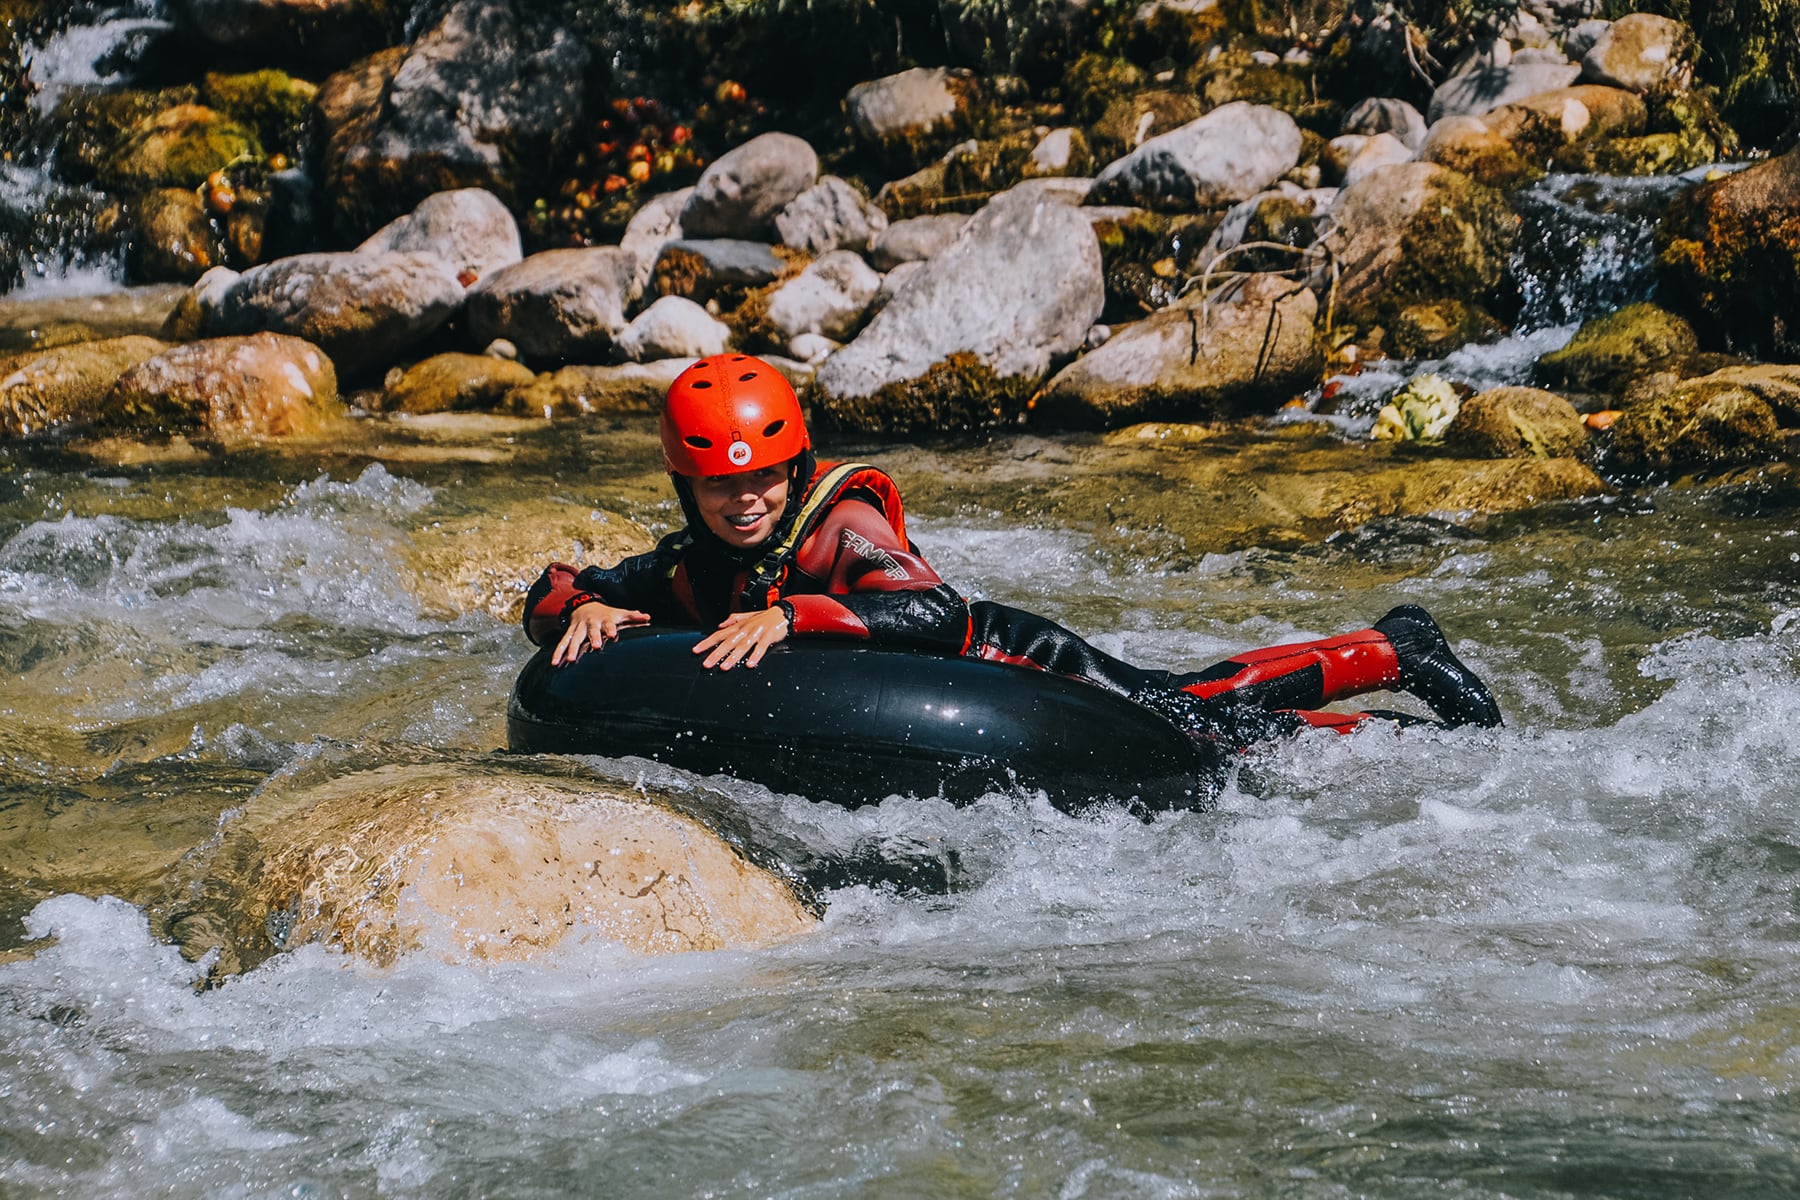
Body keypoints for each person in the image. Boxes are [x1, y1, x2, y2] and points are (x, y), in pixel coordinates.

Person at [523, 354, 1501, 751]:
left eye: (766, 477)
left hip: (1011, 663)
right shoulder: (688, 566)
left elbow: (933, 615)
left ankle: (1394, 659)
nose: (747, 501)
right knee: (1203, 718)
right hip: (932, 692)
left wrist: (792, 615)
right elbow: (557, 590)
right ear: (685, 488)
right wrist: (585, 611)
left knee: (1195, 715)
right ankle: (1384, 681)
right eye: (721, 485)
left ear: (796, 464)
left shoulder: (840, 529)